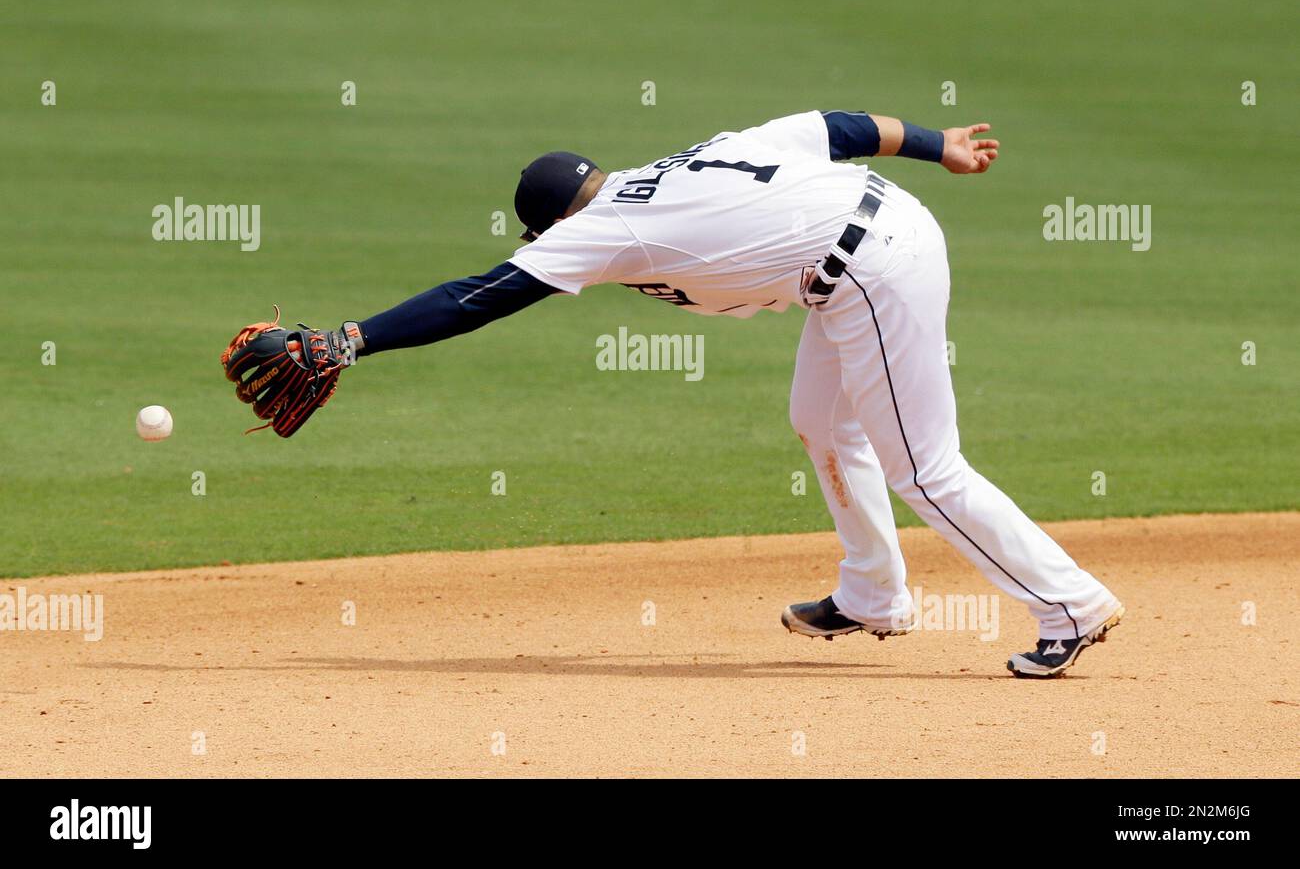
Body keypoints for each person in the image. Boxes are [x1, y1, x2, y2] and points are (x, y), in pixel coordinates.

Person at [270, 110, 1124, 677]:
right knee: (822, 423)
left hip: (872, 267)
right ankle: (874, 594)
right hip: (869, 244)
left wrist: (351, 341)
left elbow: (478, 295)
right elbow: (838, 125)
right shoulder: (687, 159)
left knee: (927, 468)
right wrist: (941, 145)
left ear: (553, 222)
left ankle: (1069, 606)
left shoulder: (599, 228)